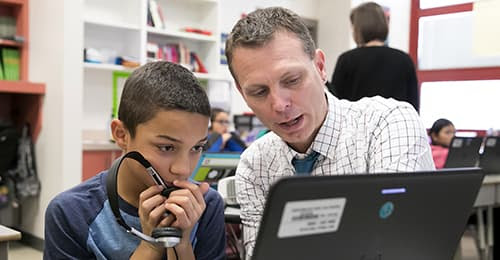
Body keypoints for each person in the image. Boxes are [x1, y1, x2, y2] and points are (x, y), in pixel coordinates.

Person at [224, 7, 435, 258]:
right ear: (241, 93)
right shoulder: (254, 164)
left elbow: (394, 246)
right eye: (259, 92)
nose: (280, 105)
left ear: (320, 67)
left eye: (292, 80)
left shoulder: (388, 123)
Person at [44, 61, 226, 259]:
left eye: (197, 148)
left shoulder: (207, 205)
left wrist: (181, 243)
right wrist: (151, 246)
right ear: (121, 135)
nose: (183, 169)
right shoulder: (71, 213)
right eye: (166, 147)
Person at [328, 2, 419, 112]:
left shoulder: (347, 60)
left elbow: (337, 105)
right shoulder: (404, 60)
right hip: (396, 127)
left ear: (358, 28)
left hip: (358, 128)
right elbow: (413, 106)